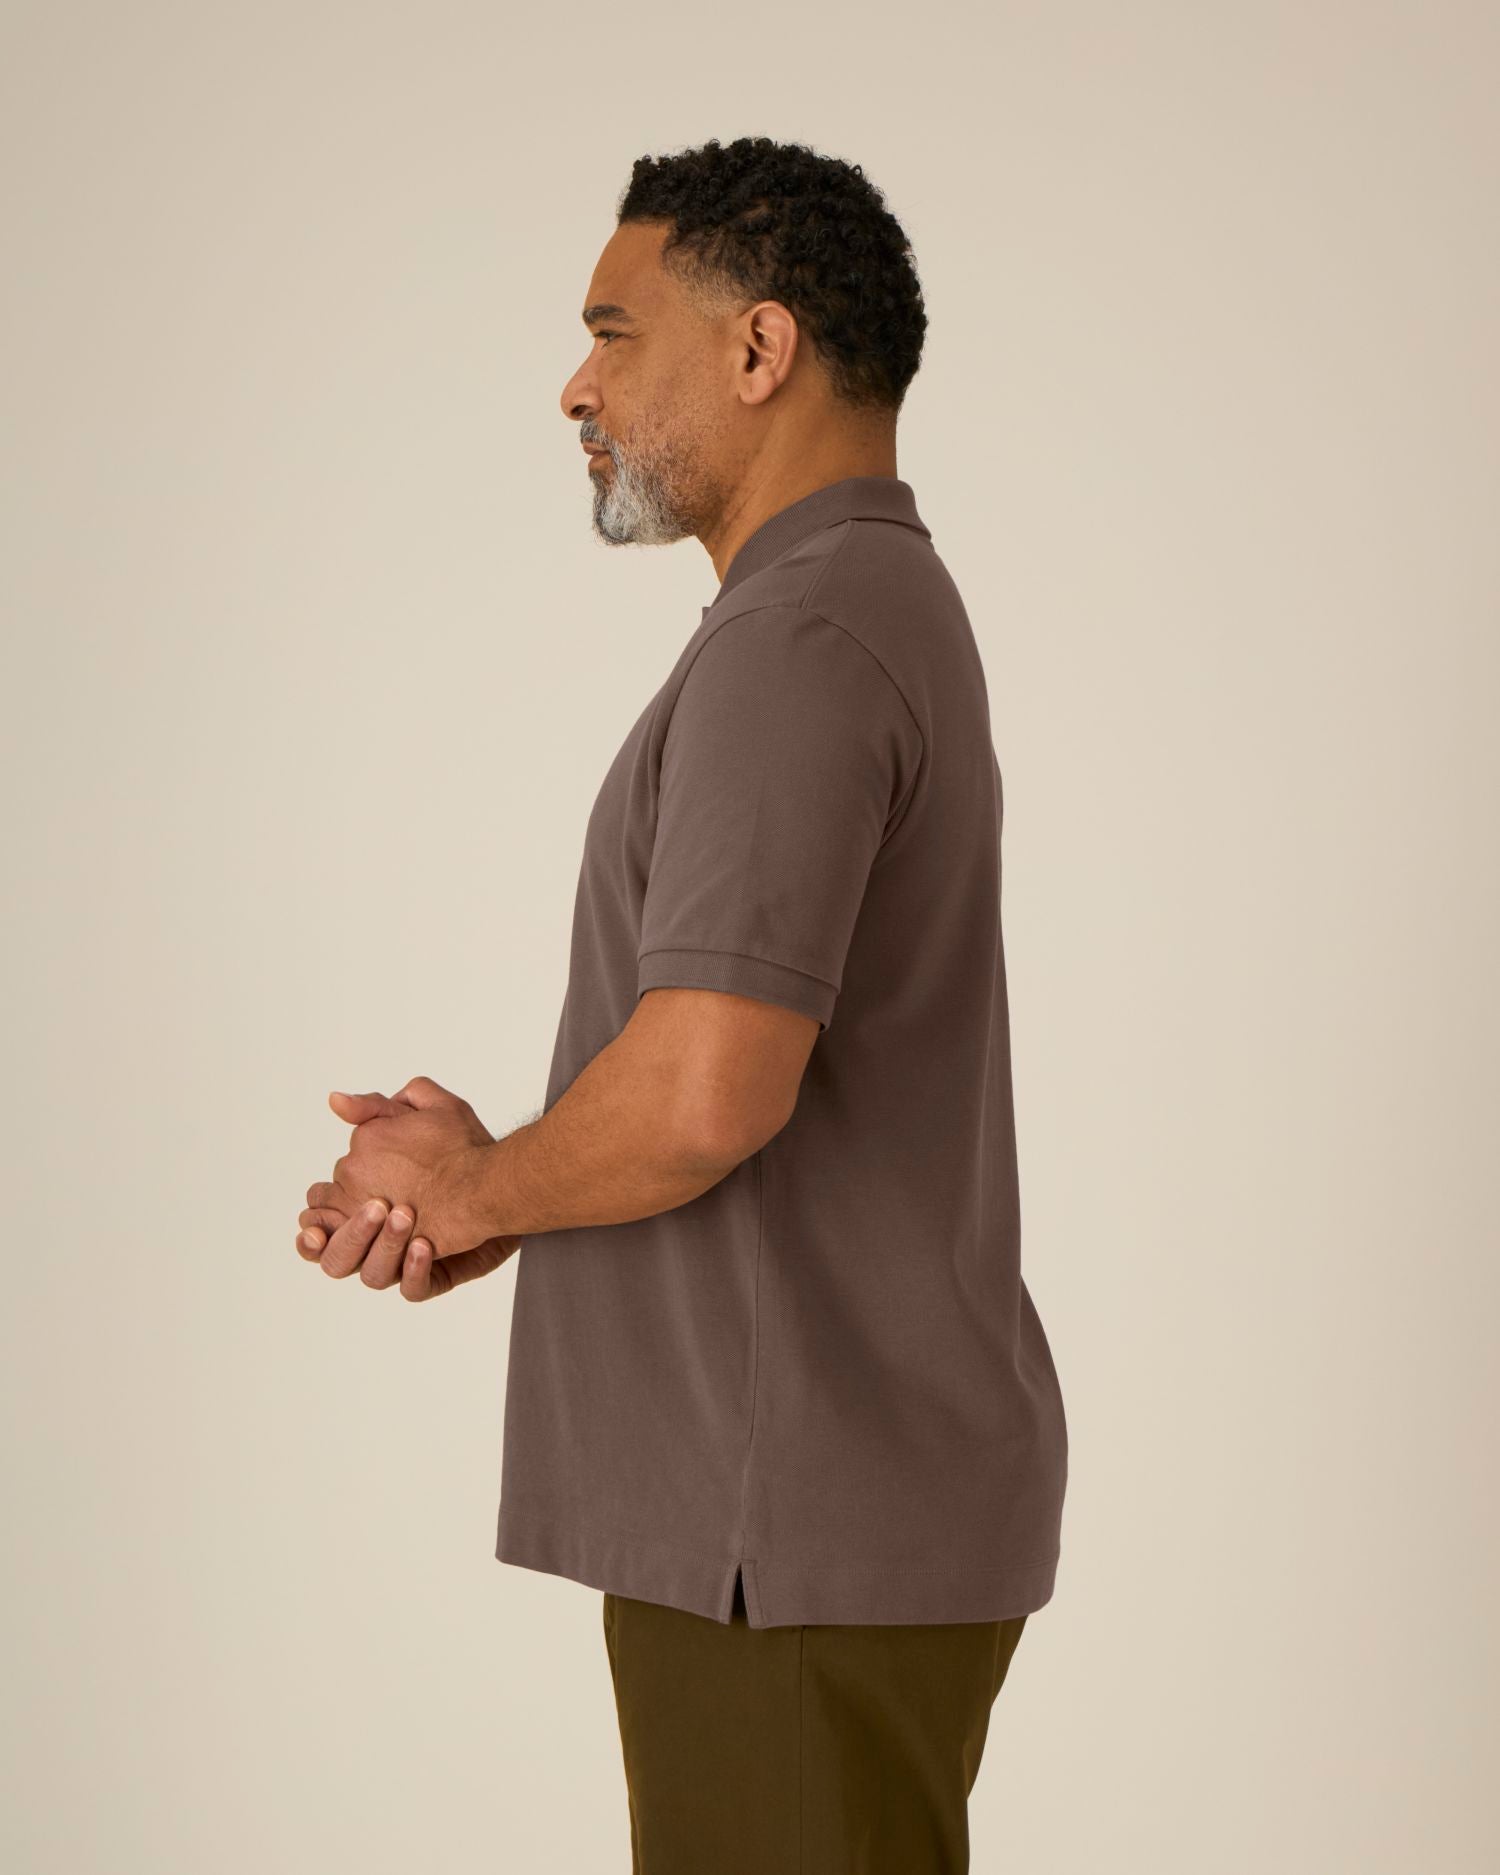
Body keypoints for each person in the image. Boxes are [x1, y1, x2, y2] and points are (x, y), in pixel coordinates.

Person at [294, 134, 1068, 1874]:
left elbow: (710, 1091)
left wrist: (468, 1190)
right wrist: (508, 1182)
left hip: (780, 1539)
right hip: (799, 1523)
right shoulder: (851, 607)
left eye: (613, 332)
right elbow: (721, 1076)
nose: (576, 387)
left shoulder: (801, 641)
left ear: (760, 348)